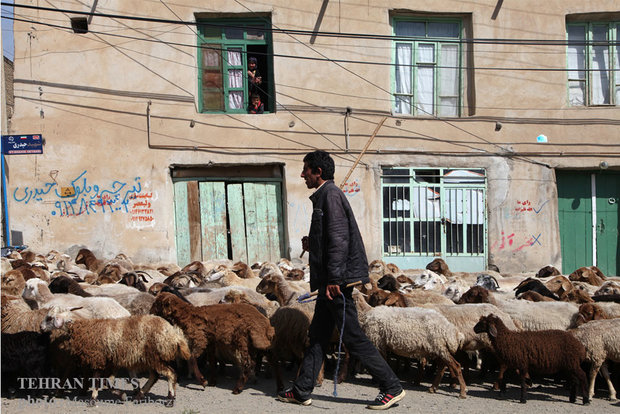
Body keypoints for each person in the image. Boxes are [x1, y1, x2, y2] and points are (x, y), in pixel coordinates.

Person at [277, 150, 405, 410]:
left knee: (353, 337)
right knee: (318, 336)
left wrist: (335, 278)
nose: (302, 175)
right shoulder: (325, 196)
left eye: (306, 170)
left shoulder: (330, 196)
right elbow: (330, 238)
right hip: (329, 283)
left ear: (318, 172)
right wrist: (313, 244)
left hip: (336, 283)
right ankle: (302, 390)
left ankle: (391, 386)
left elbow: (339, 240)